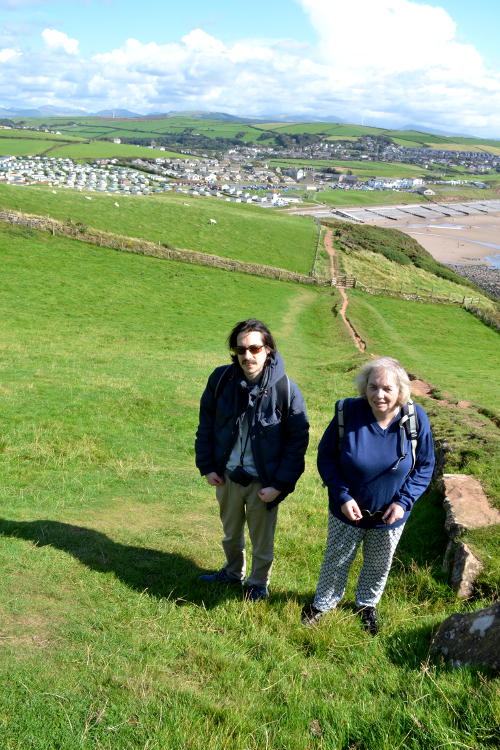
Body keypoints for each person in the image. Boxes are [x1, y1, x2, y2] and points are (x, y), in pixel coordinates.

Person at [302, 357, 435, 633]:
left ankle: (366, 605)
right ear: (365, 388)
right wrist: (342, 495)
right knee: (336, 559)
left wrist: (403, 502)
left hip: (390, 516)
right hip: (347, 509)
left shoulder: (415, 418)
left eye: (387, 388)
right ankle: (323, 604)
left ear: (400, 391)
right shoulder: (347, 413)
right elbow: (326, 458)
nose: (379, 395)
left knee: (379, 564)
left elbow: (425, 465)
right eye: (373, 387)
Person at [195, 319, 309, 601]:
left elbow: (297, 443)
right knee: (230, 534)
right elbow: (206, 424)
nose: (247, 356)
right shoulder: (220, 380)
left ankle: (258, 583)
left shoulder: (287, 390)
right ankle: (233, 572)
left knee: (262, 540)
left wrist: (280, 485)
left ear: (268, 349)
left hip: (264, 483)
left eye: (254, 348)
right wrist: (207, 466)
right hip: (228, 476)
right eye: (240, 350)